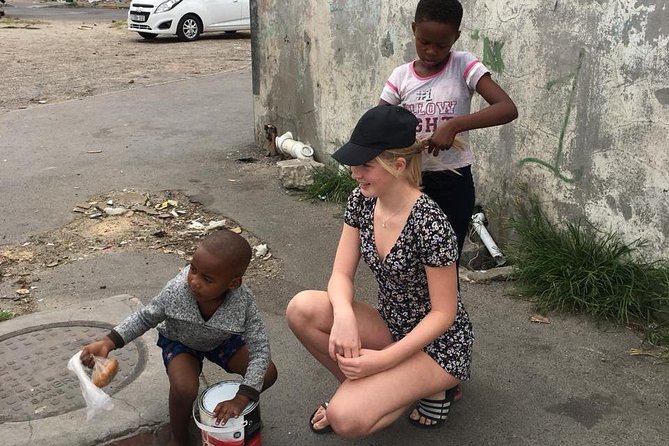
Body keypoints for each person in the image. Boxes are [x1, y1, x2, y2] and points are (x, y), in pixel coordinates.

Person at [286, 104, 474, 436]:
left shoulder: (430, 221)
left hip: (438, 344)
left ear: (398, 165)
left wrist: (383, 361)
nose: (355, 173)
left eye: (365, 166)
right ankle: (367, 390)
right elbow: (341, 274)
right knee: (301, 309)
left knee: (346, 419)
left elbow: (444, 313)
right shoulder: (361, 201)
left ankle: (427, 387)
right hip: (391, 324)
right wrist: (343, 314)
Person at [80, 229, 278, 446]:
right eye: (193, 268)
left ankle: (237, 413)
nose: (194, 281)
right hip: (180, 341)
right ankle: (179, 437)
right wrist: (109, 341)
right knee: (184, 389)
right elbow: (145, 317)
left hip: (222, 341)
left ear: (233, 284)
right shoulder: (177, 290)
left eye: (207, 278)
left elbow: (260, 347)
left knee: (267, 373)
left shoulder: (243, 302)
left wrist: (242, 397)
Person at [379, 0, 518, 258]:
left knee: (445, 259)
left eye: (442, 45)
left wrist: (454, 125)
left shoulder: (463, 65)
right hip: (408, 181)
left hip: (452, 182)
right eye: (424, 42)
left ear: (456, 37)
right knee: (407, 259)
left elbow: (507, 108)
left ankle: (446, 300)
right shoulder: (401, 76)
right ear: (413, 29)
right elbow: (379, 121)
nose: (431, 51)